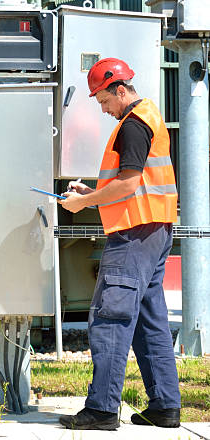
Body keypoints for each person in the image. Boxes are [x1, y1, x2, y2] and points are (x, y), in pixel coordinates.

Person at [58, 58, 181, 431]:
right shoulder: (149, 116)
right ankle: (164, 406)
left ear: (120, 90)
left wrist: (82, 203)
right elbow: (133, 183)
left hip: (133, 234)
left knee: (110, 319)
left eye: (104, 101)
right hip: (154, 229)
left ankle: (101, 410)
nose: (104, 109)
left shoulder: (133, 125)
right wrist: (93, 192)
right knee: (149, 321)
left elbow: (129, 184)